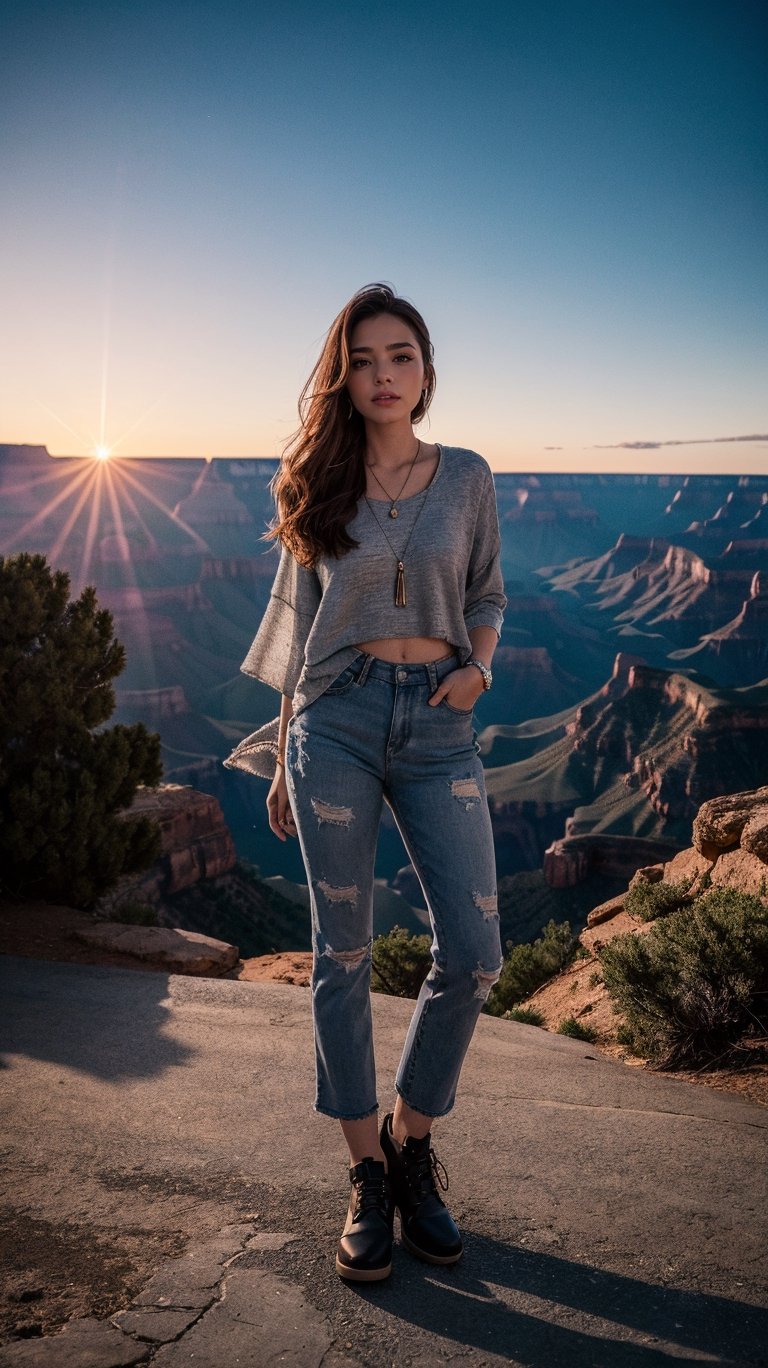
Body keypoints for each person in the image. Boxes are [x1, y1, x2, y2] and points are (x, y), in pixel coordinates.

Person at [225, 283, 506, 1282]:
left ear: (426, 372)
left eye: (400, 356)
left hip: (438, 722)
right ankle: (365, 1176)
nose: (382, 375)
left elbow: (487, 593)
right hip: (333, 724)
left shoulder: (467, 477)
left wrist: (476, 670)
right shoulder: (313, 481)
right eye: (362, 359)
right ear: (341, 376)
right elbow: (300, 633)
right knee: (340, 953)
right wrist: (281, 757)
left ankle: (411, 1137)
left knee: (473, 951)